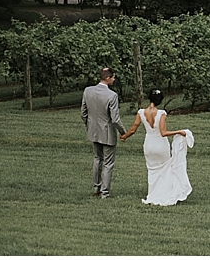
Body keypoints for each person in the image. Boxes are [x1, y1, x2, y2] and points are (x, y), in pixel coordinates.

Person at [121, 89, 193, 206]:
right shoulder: (161, 113)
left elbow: (133, 129)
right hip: (161, 145)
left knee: (152, 171)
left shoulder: (141, 112)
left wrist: (124, 136)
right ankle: (163, 193)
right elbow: (163, 133)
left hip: (149, 145)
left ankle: (153, 193)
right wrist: (179, 131)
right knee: (164, 170)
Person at [81, 67, 127, 199]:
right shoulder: (112, 95)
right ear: (107, 78)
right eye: (113, 77)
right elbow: (115, 119)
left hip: (93, 131)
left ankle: (96, 188)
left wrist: (89, 125)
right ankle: (104, 192)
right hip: (107, 132)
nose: (114, 79)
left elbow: (83, 113)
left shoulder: (88, 91)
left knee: (97, 159)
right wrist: (123, 132)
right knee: (108, 162)